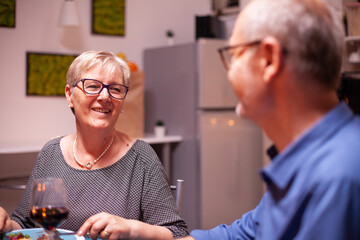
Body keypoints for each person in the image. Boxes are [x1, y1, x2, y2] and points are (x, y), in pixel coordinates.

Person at [179, 0, 360, 239]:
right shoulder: (304, 160)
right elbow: (246, 233)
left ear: (269, 59)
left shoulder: (335, 180)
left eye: (234, 55)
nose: (229, 71)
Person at [0, 50, 188, 239]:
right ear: (69, 95)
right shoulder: (51, 153)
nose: (105, 96)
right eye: (92, 86)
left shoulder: (142, 158)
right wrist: (6, 224)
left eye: (115, 89)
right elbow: (24, 224)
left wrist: (131, 227)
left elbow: (177, 234)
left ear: (122, 103)